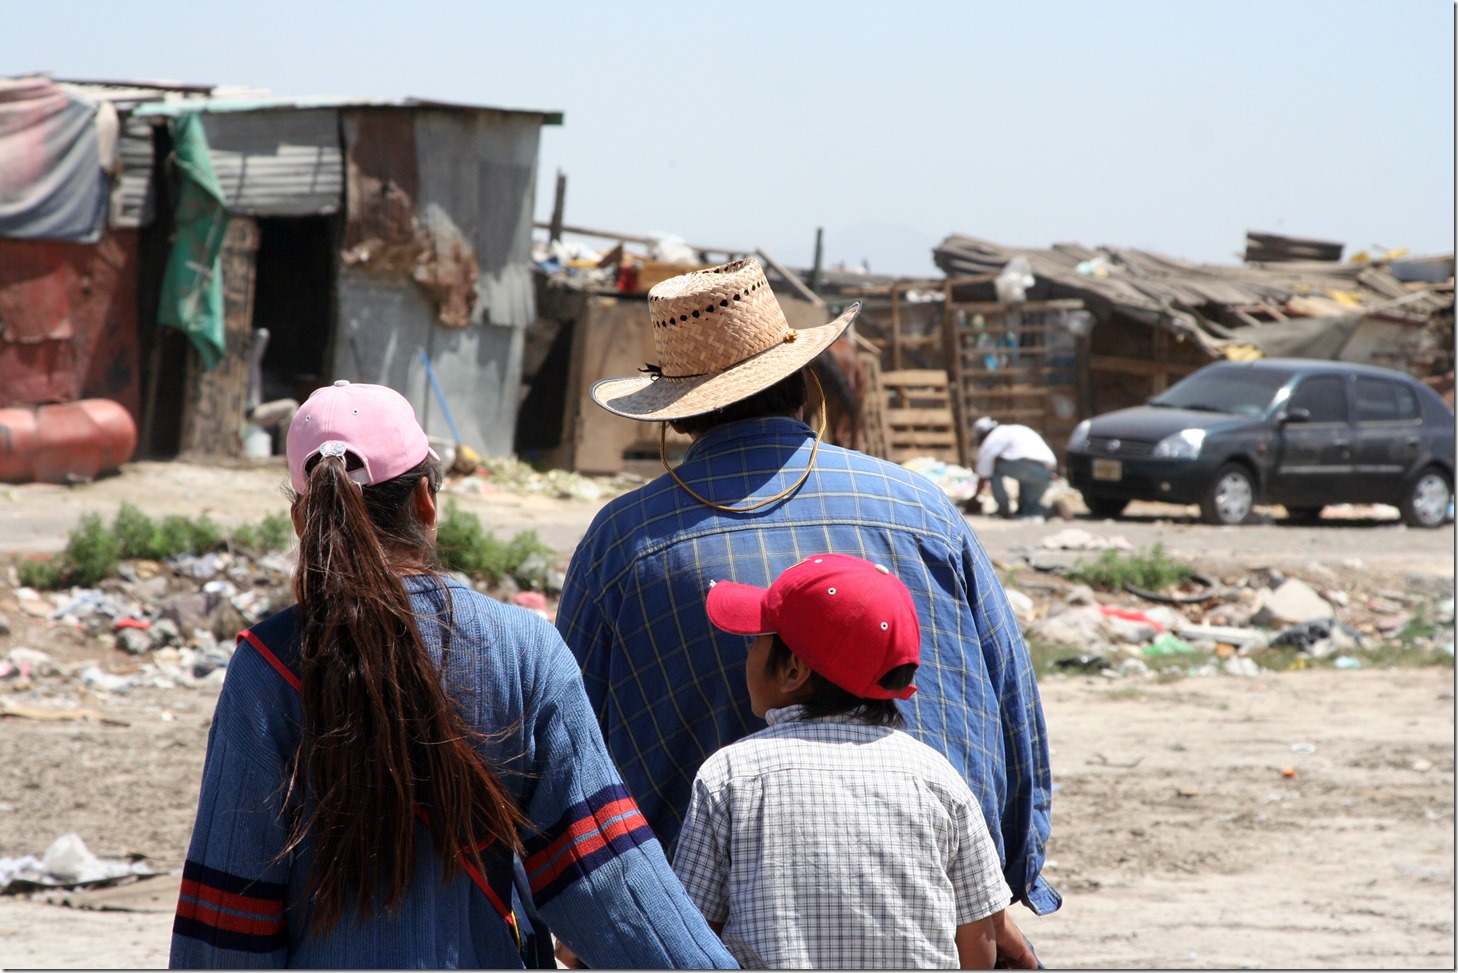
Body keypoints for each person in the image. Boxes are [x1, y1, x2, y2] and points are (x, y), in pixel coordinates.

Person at [556, 258, 1057, 966]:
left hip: (688, 939)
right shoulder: (920, 510)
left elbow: (565, 747)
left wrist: (583, 920)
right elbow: (1011, 708)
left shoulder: (627, 538)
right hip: (932, 912)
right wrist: (1002, 886)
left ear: (679, 410)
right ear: (803, 381)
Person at [168, 380, 736, 970]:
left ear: (300, 520)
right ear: (426, 504)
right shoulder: (525, 648)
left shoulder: (266, 667)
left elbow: (229, 910)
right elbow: (607, 871)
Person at [673, 553, 1014, 969]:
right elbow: (978, 942)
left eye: (758, 641)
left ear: (793, 670)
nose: (750, 655)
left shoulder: (729, 776)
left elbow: (691, 933)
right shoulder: (936, 776)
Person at [971, 416, 1059, 519]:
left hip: (1029, 470)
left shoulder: (993, 437)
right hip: (1046, 473)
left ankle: (1003, 510)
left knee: (993, 469)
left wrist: (975, 498)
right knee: (1027, 511)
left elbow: (983, 473)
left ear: (983, 434)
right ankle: (1048, 510)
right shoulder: (1013, 430)